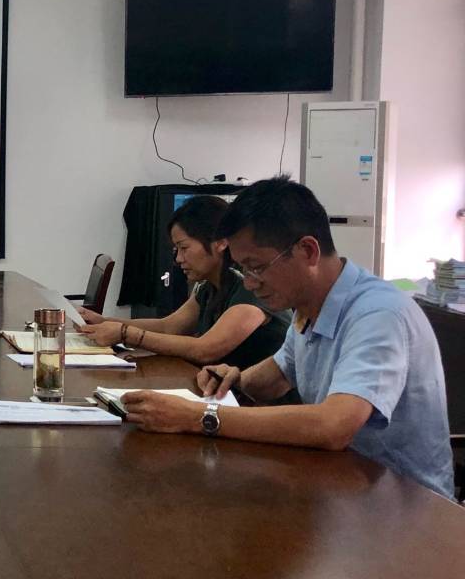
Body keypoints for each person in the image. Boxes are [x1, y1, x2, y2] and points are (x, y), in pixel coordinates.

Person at [121, 177, 454, 500]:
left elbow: (334, 425)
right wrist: (233, 379)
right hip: (340, 484)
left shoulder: (378, 313)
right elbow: (276, 376)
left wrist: (197, 417)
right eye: (243, 269)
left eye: (256, 267)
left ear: (307, 250)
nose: (249, 283)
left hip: (403, 505)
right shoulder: (308, 306)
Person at [79, 195, 288, 370]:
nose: (178, 259)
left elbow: (206, 349)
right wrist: (104, 321)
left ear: (220, 242)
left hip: (259, 400)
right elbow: (169, 327)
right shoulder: (210, 286)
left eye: (184, 248)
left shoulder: (250, 286)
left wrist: (125, 334)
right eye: (176, 250)